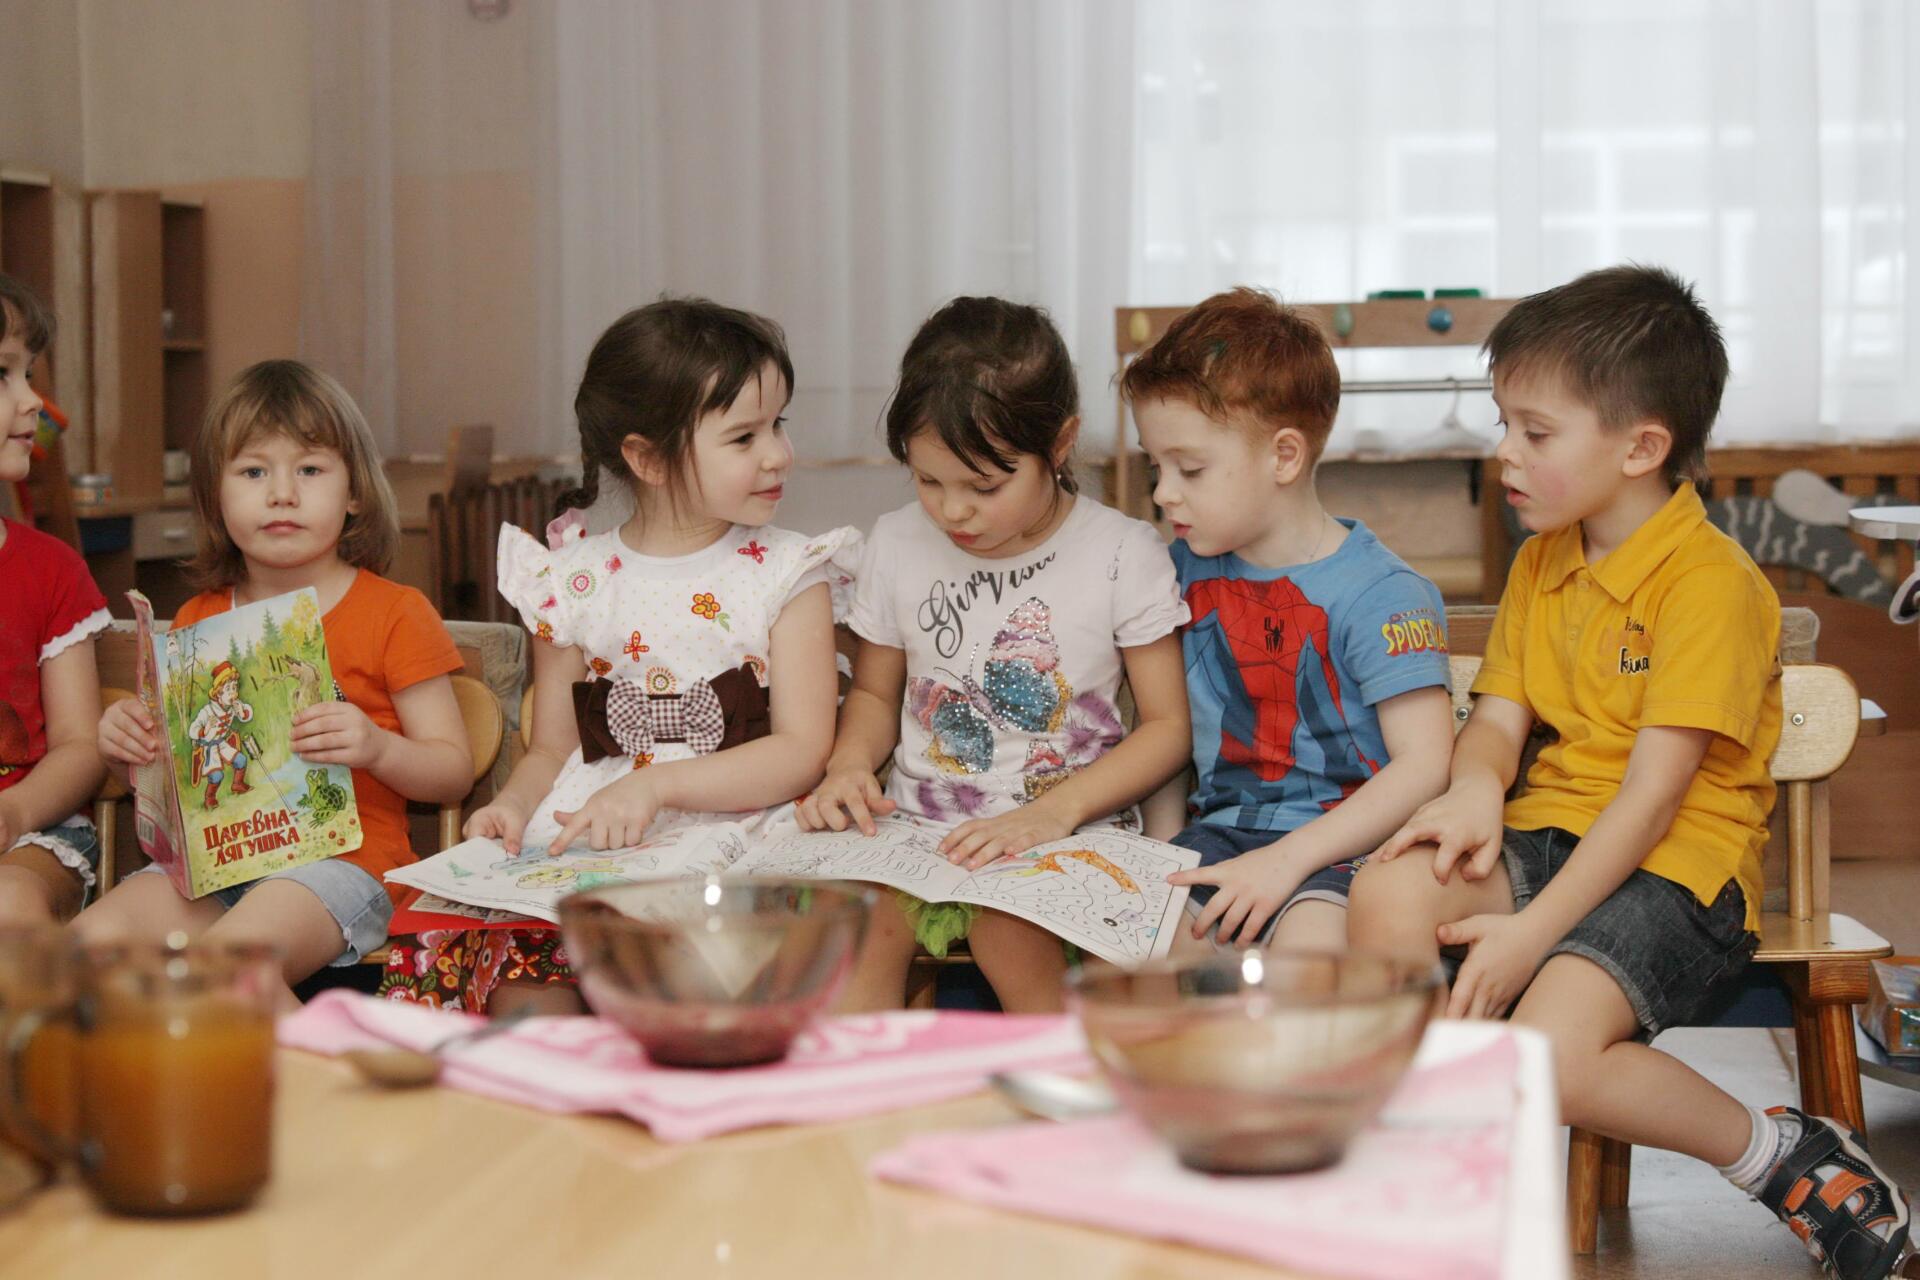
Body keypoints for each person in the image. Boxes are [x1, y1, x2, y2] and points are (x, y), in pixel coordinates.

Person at [1351, 265, 1911, 1280]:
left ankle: (1780, 1153)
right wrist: (1475, 787)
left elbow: (1654, 801)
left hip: (1677, 871)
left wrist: (1528, 935)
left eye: (1536, 432)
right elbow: (1499, 721)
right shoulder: (1542, 559)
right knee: (1387, 891)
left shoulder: (1712, 585)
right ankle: (1448, 1153)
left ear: (1641, 447)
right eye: (1505, 424)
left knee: (1550, 1054)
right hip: (1552, 834)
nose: (1505, 452)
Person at [381, 298, 856, 1016]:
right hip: (588, 832)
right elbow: (551, 748)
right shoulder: (570, 579)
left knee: (692, 1000)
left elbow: (802, 749)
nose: (778, 453)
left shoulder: (790, 571)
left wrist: (657, 788)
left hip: (738, 828)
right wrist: (512, 804)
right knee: (522, 997)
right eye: (744, 436)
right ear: (647, 458)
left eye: (778, 424)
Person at [800, 296, 1191, 1012]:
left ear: (1061, 444)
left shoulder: (1121, 553)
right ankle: (867, 1078)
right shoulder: (896, 542)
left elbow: (1167, 728)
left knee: (1010, 932)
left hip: (1067, 830)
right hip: (918, 829)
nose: (953, 511)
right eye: (927, 481)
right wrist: (850, 764)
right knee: (851, 931)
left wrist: (1055, 814)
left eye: (985, 485)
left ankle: (1063, 1068)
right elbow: (877, 693)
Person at [90, 361, 472, 1001]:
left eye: (311, 469)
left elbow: (453, 770)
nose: (282, 494)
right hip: (215, 869)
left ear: (354, 493)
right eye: (253, 472)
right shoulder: (198, 620)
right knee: (85, 955)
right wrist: (128, 746)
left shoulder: (396, 612)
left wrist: (379, 747)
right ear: (214, 497)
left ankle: (320, 1066)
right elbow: (176, 779)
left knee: (224, 973)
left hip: (342, 867)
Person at [1125, 287, 1454, 949]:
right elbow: (1163, 734)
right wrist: (1160, 856)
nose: (1163, 493)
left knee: (1309, 954)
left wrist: (1289, 859)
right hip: (1222, 836)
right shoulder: (1176, 573)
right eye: (1155, 466)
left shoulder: (1383, 593)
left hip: (1354, 845)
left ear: (1284, 456)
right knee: (1151, 951)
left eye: (1190, 469)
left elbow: (1425, 766)